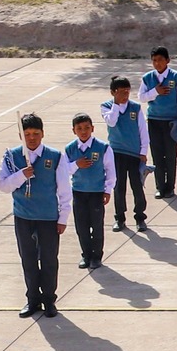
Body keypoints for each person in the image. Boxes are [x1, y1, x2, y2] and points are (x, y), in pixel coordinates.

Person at [0, 113, 70, 318]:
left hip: (48, 217)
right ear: (21, 135)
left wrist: (63, 217)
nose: (32, 138)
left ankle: (49, 300)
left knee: (49, 259)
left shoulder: (55, 156)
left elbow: (64, 189)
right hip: (23, 216)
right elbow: (2, 185)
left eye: (36, 134)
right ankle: (32, 299)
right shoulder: (11, 157)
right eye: (27, 134)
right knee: (28, 259)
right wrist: (21, 175)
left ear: (43, 134)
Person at [63, 113, 113, 271]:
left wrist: (108, 190)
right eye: (79, 129)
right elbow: (64, 171)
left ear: (92, 128)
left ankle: (97, 256)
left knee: (97, 225)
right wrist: (77, 164)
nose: (83, 131)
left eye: (86, 128)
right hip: (79, 191)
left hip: (96, 192)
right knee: (82, 225)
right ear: (74, 131)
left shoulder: (102, 147)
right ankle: (86, 254)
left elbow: (110, 170)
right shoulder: (70, 149)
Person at [138, 47, 177, 200]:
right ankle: (160, 186)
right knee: (157, 155)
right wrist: (155, 91)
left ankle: (170, 187)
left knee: (170, 155)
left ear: (168, 60)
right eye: (154, 60)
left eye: (160, 60)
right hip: (154, 121)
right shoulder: (147, 78)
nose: (157, 63)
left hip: (171, 122)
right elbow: (141, 97)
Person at [101, 77, 148, 234]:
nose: (125, 95)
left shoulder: (135, 108)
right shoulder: (106, 107)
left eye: (127, 91)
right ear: (113, 92)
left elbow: (143, 130)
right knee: (119, 186)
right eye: (121, 92)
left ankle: (140, 217)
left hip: (134, 154)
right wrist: (116, 104)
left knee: (137, 186)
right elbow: (112, 122)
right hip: (116, 153)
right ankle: (119, 218)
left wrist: (143, 152)